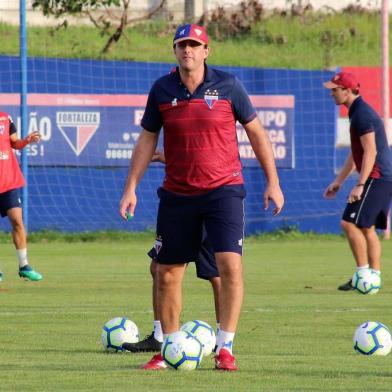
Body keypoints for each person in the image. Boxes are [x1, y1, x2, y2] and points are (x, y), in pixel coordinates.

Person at [119, 23, 284, 371]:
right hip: (178, 195)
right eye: (181, 45)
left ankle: (225, 348)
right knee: (165, 273)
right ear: (174, 50)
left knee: (229, 267)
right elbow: (147, 139)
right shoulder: (162, 90)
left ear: (206, 50)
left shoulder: (229, 86)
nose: (187, 50)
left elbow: (256, 132)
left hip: (223, 191)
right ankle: (168, 348)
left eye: (194, 45)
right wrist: (131, 187)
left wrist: (273, 181)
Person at [122, 151, 221, 361]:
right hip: (178, 201)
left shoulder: (212, 126)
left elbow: (203, 158)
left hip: (207, 199)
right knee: (158, 267)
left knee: (216, 273)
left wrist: (168, 156)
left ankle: (223, 341)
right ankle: (160, 336)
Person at [323, 71, 392, 291]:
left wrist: (360, 184)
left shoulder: (361, 114)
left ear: (348, 90)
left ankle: (363, 274)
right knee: (367, 227)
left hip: (376, 177)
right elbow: (356, 153)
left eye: (335, 89)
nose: (332, 93)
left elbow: (370, 151)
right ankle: (374, 276)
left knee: (349, 223)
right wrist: (339, 181)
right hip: (382, 176)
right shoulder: (357, 112)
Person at [0, 112, 43, 282]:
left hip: (8, 180)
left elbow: (14, 143)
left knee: (17, 221)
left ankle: (24, 266)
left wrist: (26, 141)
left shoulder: (5, 118)